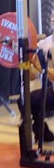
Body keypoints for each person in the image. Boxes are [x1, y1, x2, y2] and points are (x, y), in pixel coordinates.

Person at [27, 10, 54, 142]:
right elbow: (32, 76)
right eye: (53, 15)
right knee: (26, 100)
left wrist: (41, 68)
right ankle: (43, 134)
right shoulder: (45, 44)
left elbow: (41, 69)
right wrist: (22, 61)